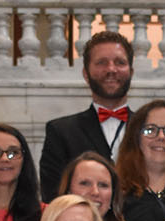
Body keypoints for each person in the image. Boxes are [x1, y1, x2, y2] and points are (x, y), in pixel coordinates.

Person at [40, 30, 134, 200]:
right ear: (85, 73)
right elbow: (53, 197)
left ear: (131, 72)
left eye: (119, 62)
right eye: (101, 63)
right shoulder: (60, 132)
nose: (111, 69)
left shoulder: (148, 130)